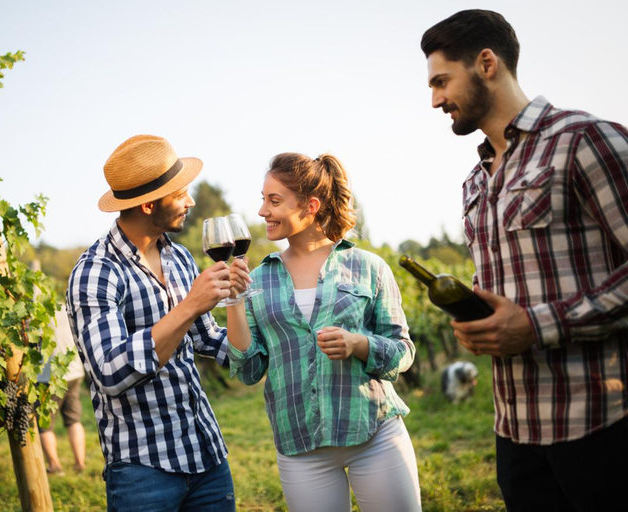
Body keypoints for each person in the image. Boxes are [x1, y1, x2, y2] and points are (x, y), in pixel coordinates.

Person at [421, 10, 628, 511]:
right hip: (514, 432)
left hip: (601, 424)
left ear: (487, 63)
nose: (435, 100)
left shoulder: (582, 140)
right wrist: (478, 322)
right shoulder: (475, 182)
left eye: (442, 81)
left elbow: (533, 315)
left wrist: (538, 326)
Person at [225, 152, 421, 512]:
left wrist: (359, 344)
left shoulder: (368, 267)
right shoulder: (260, 279)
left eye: (274, 200)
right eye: (263, 199)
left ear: (310, 206)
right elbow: (249, 369)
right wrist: (235, 301)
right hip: (301, 447)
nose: (262, 211)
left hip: (374, 435)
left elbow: (403, 351)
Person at [66, 135, 247, 511]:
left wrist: (262, 334)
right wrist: (189, 306)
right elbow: (111, 372)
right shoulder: (96, 272)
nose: (191, 202)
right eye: (181, 194)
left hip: (206, 453)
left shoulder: (179, 257)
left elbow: (208, 339)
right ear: (149, 204)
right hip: (143, 469)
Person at [38, 306, 87, 475]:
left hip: (49, 376)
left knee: (45, 425)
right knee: (74, 419)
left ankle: (55, 466)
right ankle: (80, 464)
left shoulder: (35, 313)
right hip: (74, 370)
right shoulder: (64, 306)